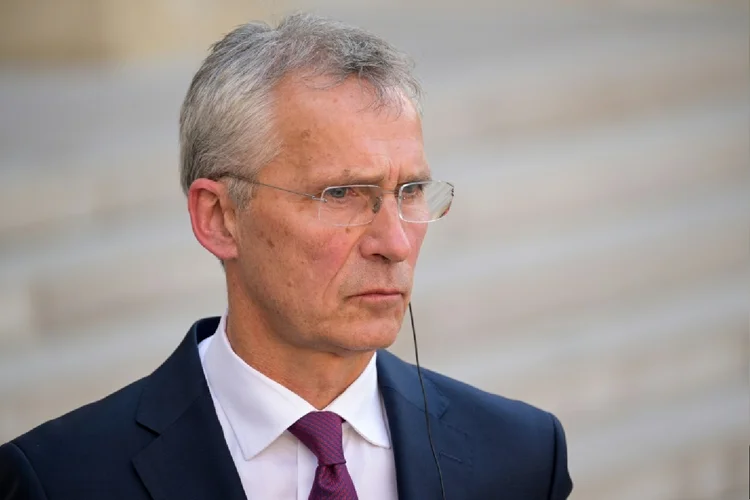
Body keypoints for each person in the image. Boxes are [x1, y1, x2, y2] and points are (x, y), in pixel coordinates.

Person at [0, 13, 572, 500]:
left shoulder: (521, 456)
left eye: (410, 192)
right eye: (342, 194)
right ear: (219, 218)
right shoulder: (59, 479)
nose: (395, 243)